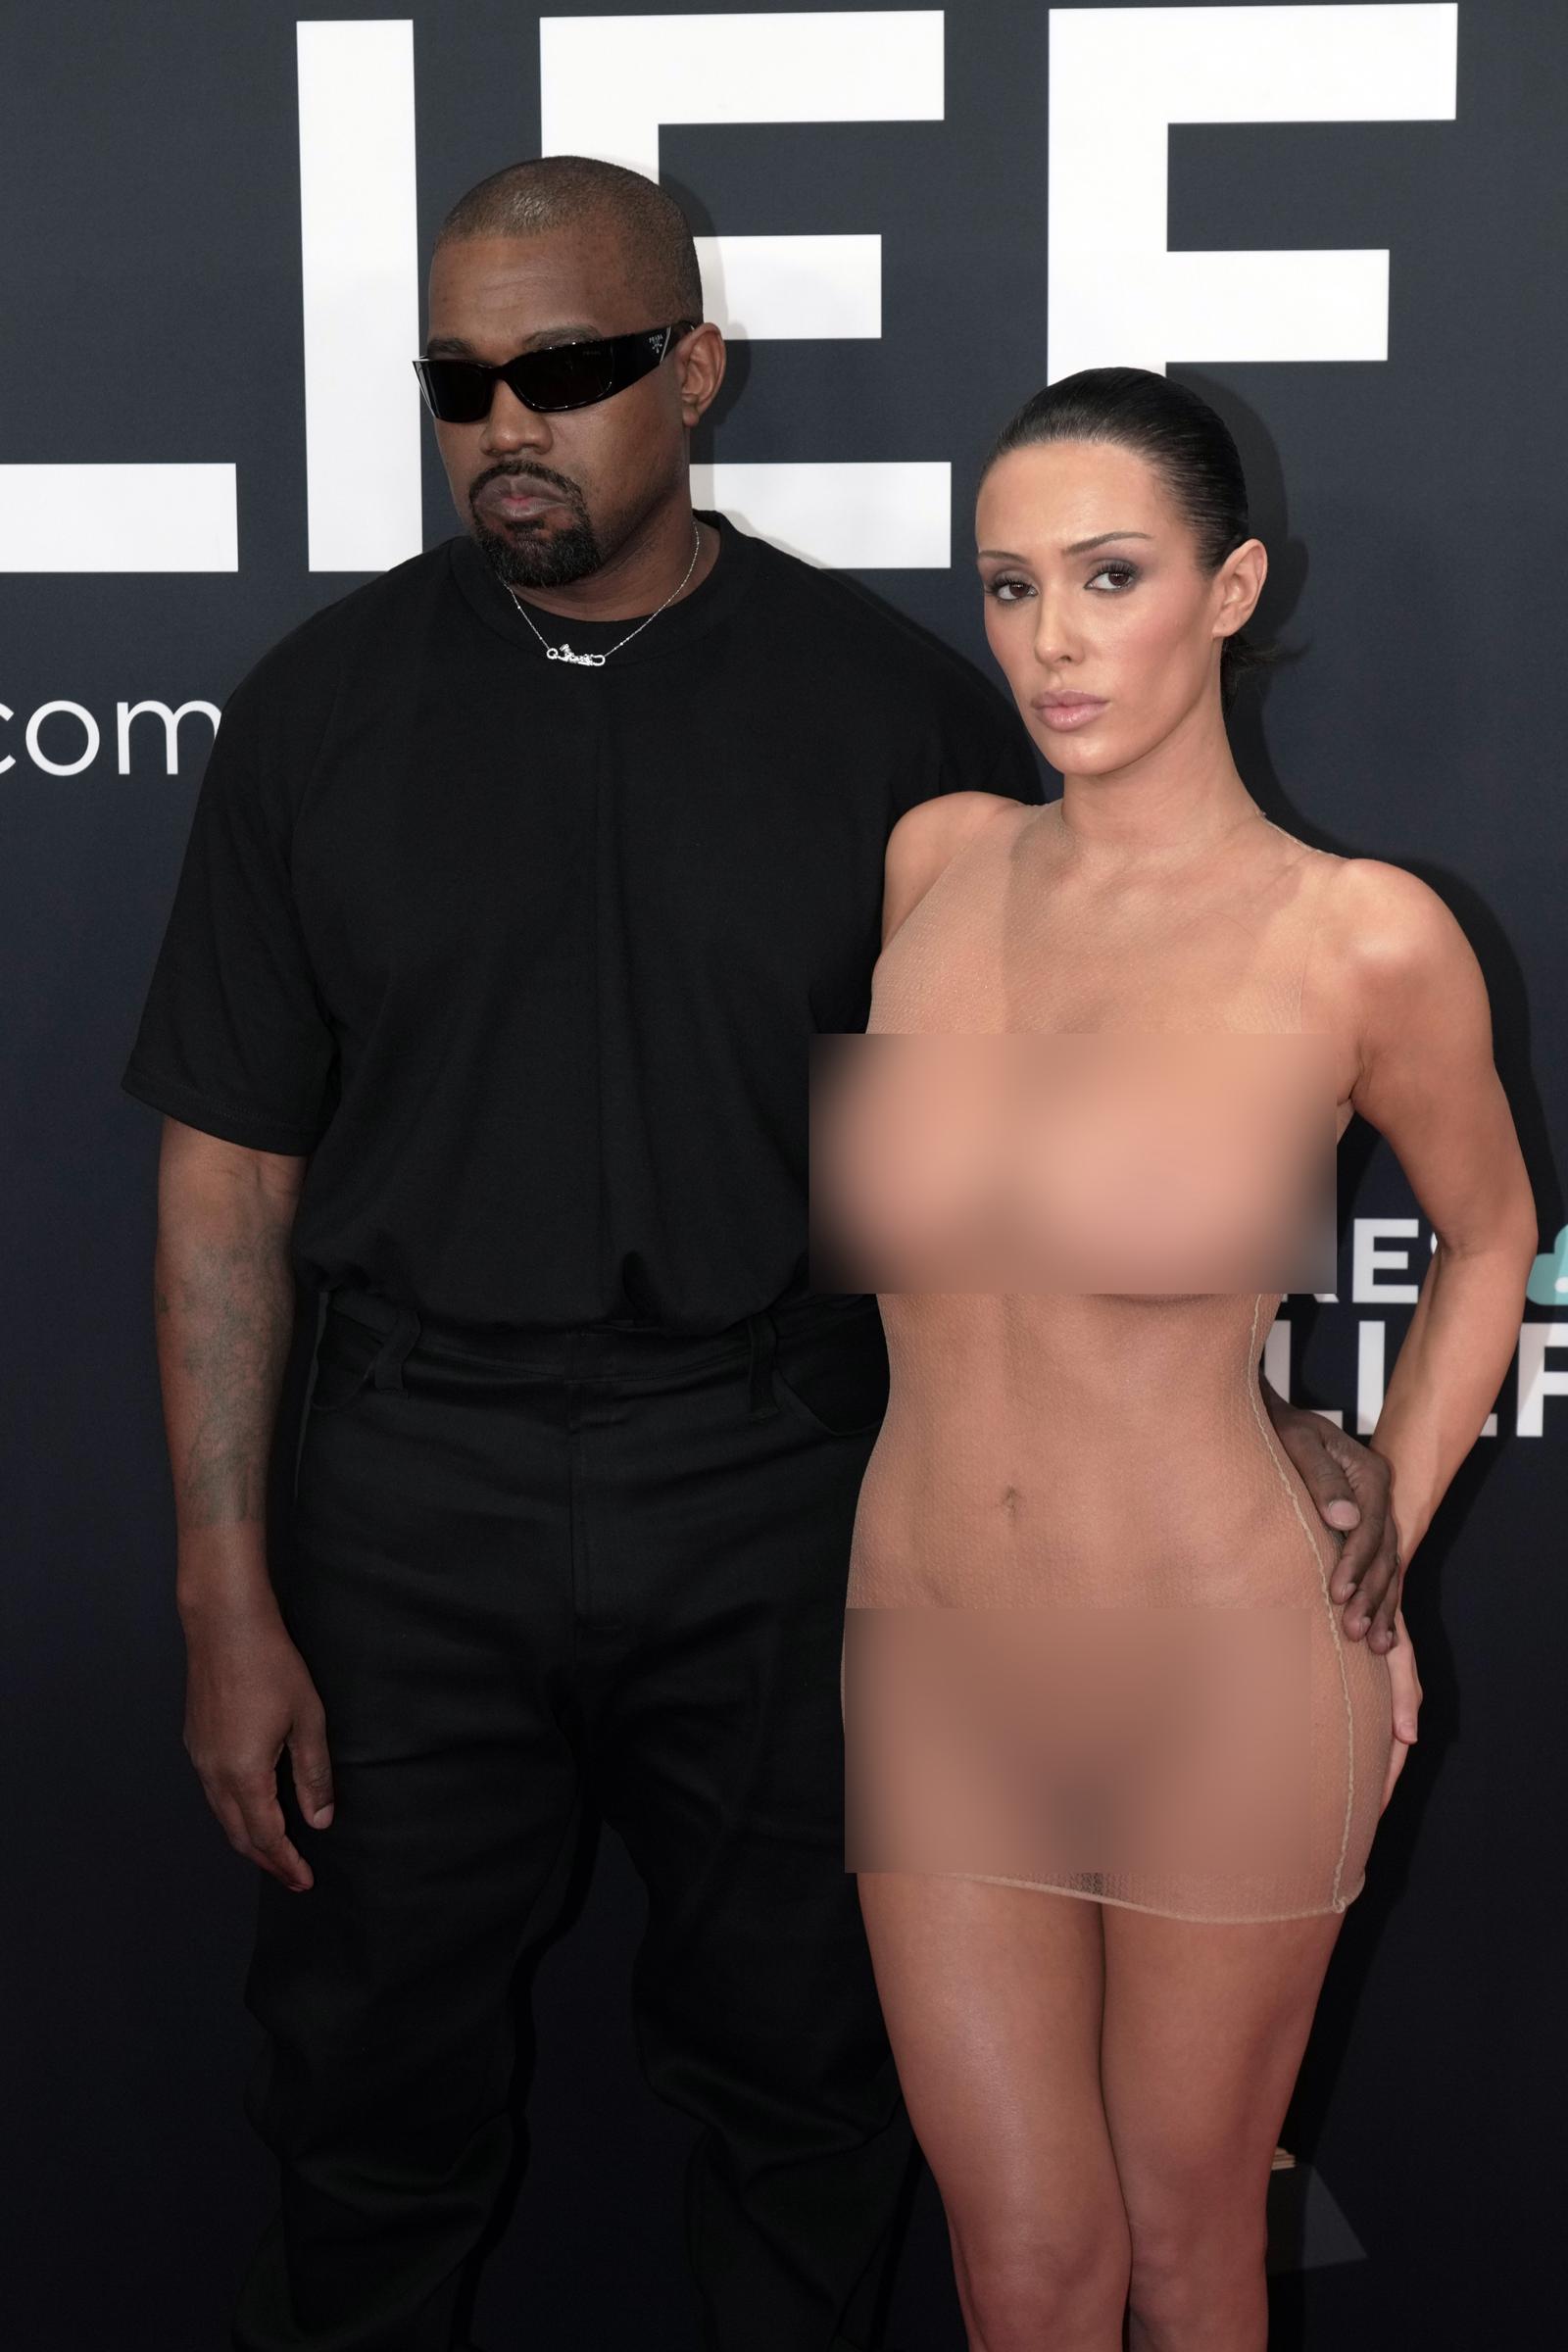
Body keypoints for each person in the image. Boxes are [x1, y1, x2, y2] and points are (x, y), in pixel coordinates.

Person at [119, 155, 1401, 2352]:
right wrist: (223, 1585)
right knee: (362, 2104)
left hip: (786, 1491)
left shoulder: (889, 722)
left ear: (692, 372)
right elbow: (228, 1180)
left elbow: (1048, 1166)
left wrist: (1249, 1402)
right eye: (460, 379)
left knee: (806, 2106)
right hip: (408, 1497)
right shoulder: (314, 713)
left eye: (570, 367)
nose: (507, 420)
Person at [825, 368, 1538, 2352]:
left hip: (1220, 1673)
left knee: (1181, 2252)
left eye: (1108, 575)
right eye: (1005, 586)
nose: (1049, 637)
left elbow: (1489, 1237)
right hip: (927, 1656)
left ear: (1226, 589)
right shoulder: (933, 864)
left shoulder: (1358, 938)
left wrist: (1390, 1490)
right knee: (1017, 2273)